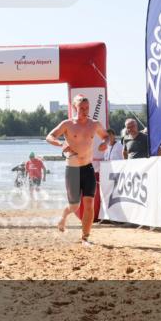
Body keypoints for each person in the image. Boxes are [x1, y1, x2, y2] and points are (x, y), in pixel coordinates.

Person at [46, 95, 109, 246]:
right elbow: (49, 136)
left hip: (88, 168)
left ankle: (85, 238)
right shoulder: (67, 124)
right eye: (81, 108)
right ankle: (64, 216)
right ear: (75, 107)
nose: (84, 111)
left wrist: (104, 144)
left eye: (87, 108)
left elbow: (106, 136)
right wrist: (60, 144)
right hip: (72, 169)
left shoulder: (94, 124)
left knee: (89, 204)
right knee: (75, 206)